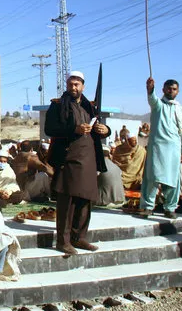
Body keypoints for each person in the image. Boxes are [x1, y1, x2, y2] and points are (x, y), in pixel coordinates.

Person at [45, 71, 111, 255]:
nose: (74, 87)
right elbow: (50, 129)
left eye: (77, 84)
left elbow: (100, 128)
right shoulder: (57, 105)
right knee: (68, 201)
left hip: (89, 158)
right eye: (71, 84)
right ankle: (63, 241)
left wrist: (106, 130)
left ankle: (79, 237)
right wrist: (75, 129)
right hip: (69, 158)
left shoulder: (90, 107)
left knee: (85, 199)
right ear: (67, 85)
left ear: (83, 86)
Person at [139, 78, 182, 219]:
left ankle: (170, 208)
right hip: (157, 147)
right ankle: (148, 207)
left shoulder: (180, 109)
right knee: (152, 177)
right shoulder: (158, 105)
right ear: (163, 90)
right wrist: (150, 89)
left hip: (174, 149)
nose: (170, 91)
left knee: (172, 180)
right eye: (168, 88)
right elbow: (152, 99)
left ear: (177, 91)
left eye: (174, 89)